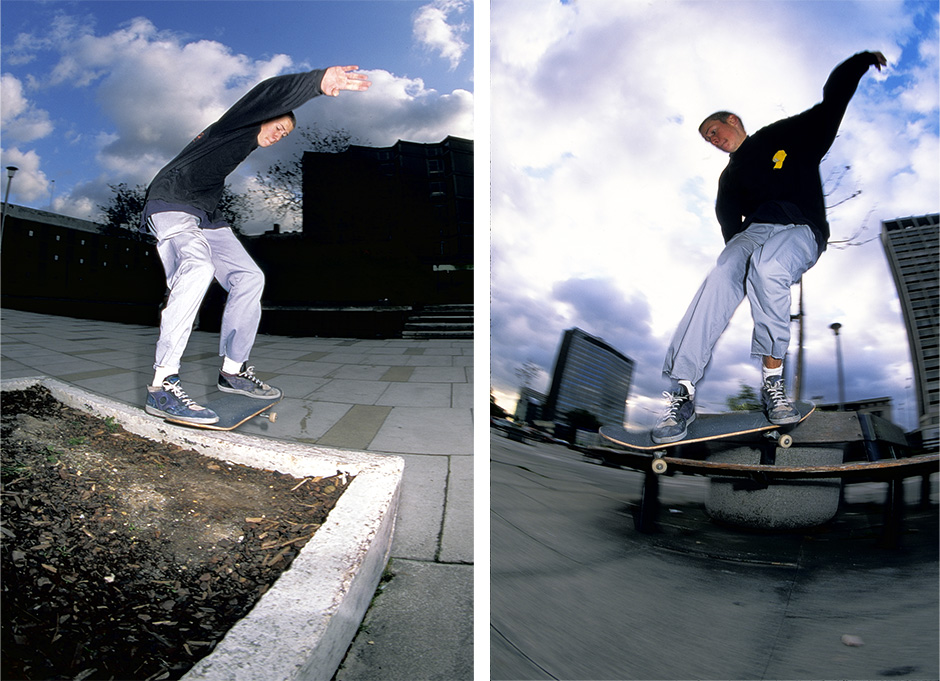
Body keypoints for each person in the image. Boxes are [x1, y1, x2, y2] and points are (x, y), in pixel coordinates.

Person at [652, 50, 887, 444]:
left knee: (769, 265)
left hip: (802, 228)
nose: (714, 140)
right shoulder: (728, 180)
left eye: (714, 130)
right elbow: (731, 230)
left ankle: (772, 383)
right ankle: (683, 392)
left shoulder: (784, 135)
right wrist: (736, 275)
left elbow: (832, 102)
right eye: (709, 140)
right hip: (754, 231)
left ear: (733, 121)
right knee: (724, 270)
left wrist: (860, 62)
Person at [143, 65, 372, 425]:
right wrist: (316, 82)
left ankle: (233, 370)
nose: (281, 135)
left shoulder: (241, 146)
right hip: (171, 201)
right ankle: (162, 385)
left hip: (206, 213)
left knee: (250, 277)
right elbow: (266, 93)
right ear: (264, 119)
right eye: (279, 127)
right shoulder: (237, 125)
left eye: (286, 134)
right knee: (198, 268)